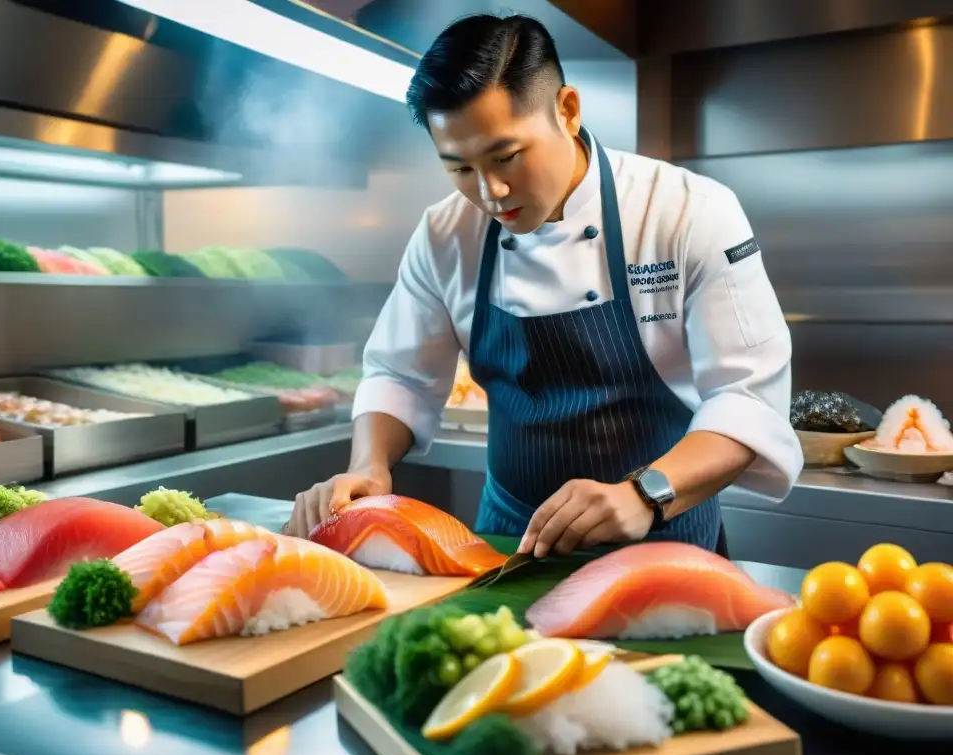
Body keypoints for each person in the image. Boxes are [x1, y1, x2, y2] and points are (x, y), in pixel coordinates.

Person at [285, 13, 803, 559]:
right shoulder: (446, 233)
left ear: (568, 111)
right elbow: (400, 375)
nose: (491, 190)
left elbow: (748, 399)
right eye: (459, 168)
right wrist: (369, 464)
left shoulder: (687, 212)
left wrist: (644, 493)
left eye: (505, 156)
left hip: (663, 536)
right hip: (510, 540)